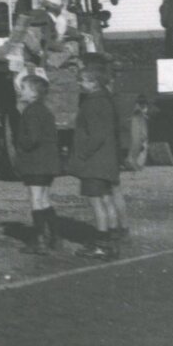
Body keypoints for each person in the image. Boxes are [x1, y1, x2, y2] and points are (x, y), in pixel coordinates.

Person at [70, 65, 126, 257]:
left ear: (93, 83)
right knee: (107, 199)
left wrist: (83, 154)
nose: (79, 83)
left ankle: (101, 244)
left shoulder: (91, 103)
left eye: (82, 80)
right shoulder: (106, 100)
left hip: (95, 163)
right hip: (108, 161)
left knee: (96, 203)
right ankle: (112, 241)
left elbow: (96, 135)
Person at [11, 73, 63, 255]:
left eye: (23, 88)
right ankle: (56, 237)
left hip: (35, 163)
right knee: (44, 200)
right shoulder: (46, 111)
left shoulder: (30, 112)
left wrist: (21, 146)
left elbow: (32, 138)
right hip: (48, 163)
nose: (20, 92)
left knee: (35, 201)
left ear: (34, 93)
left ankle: (39, 241)